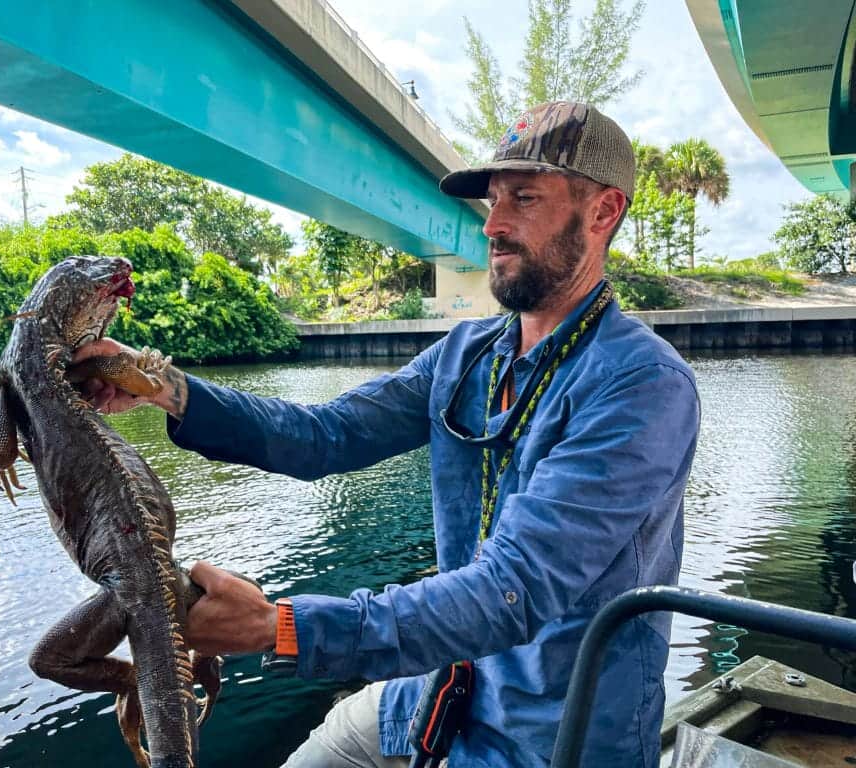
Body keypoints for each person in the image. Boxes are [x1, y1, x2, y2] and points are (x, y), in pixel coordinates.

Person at [72, 101, 700, 768]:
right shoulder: (469, 354)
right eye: (492, 201)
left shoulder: (642, 385)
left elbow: (511, 589)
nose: (493, 224)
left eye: (523, 197)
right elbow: (325, 435)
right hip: (439, 688)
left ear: (602, 212)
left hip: (550, 733)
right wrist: (157, 385)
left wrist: (278, 626)